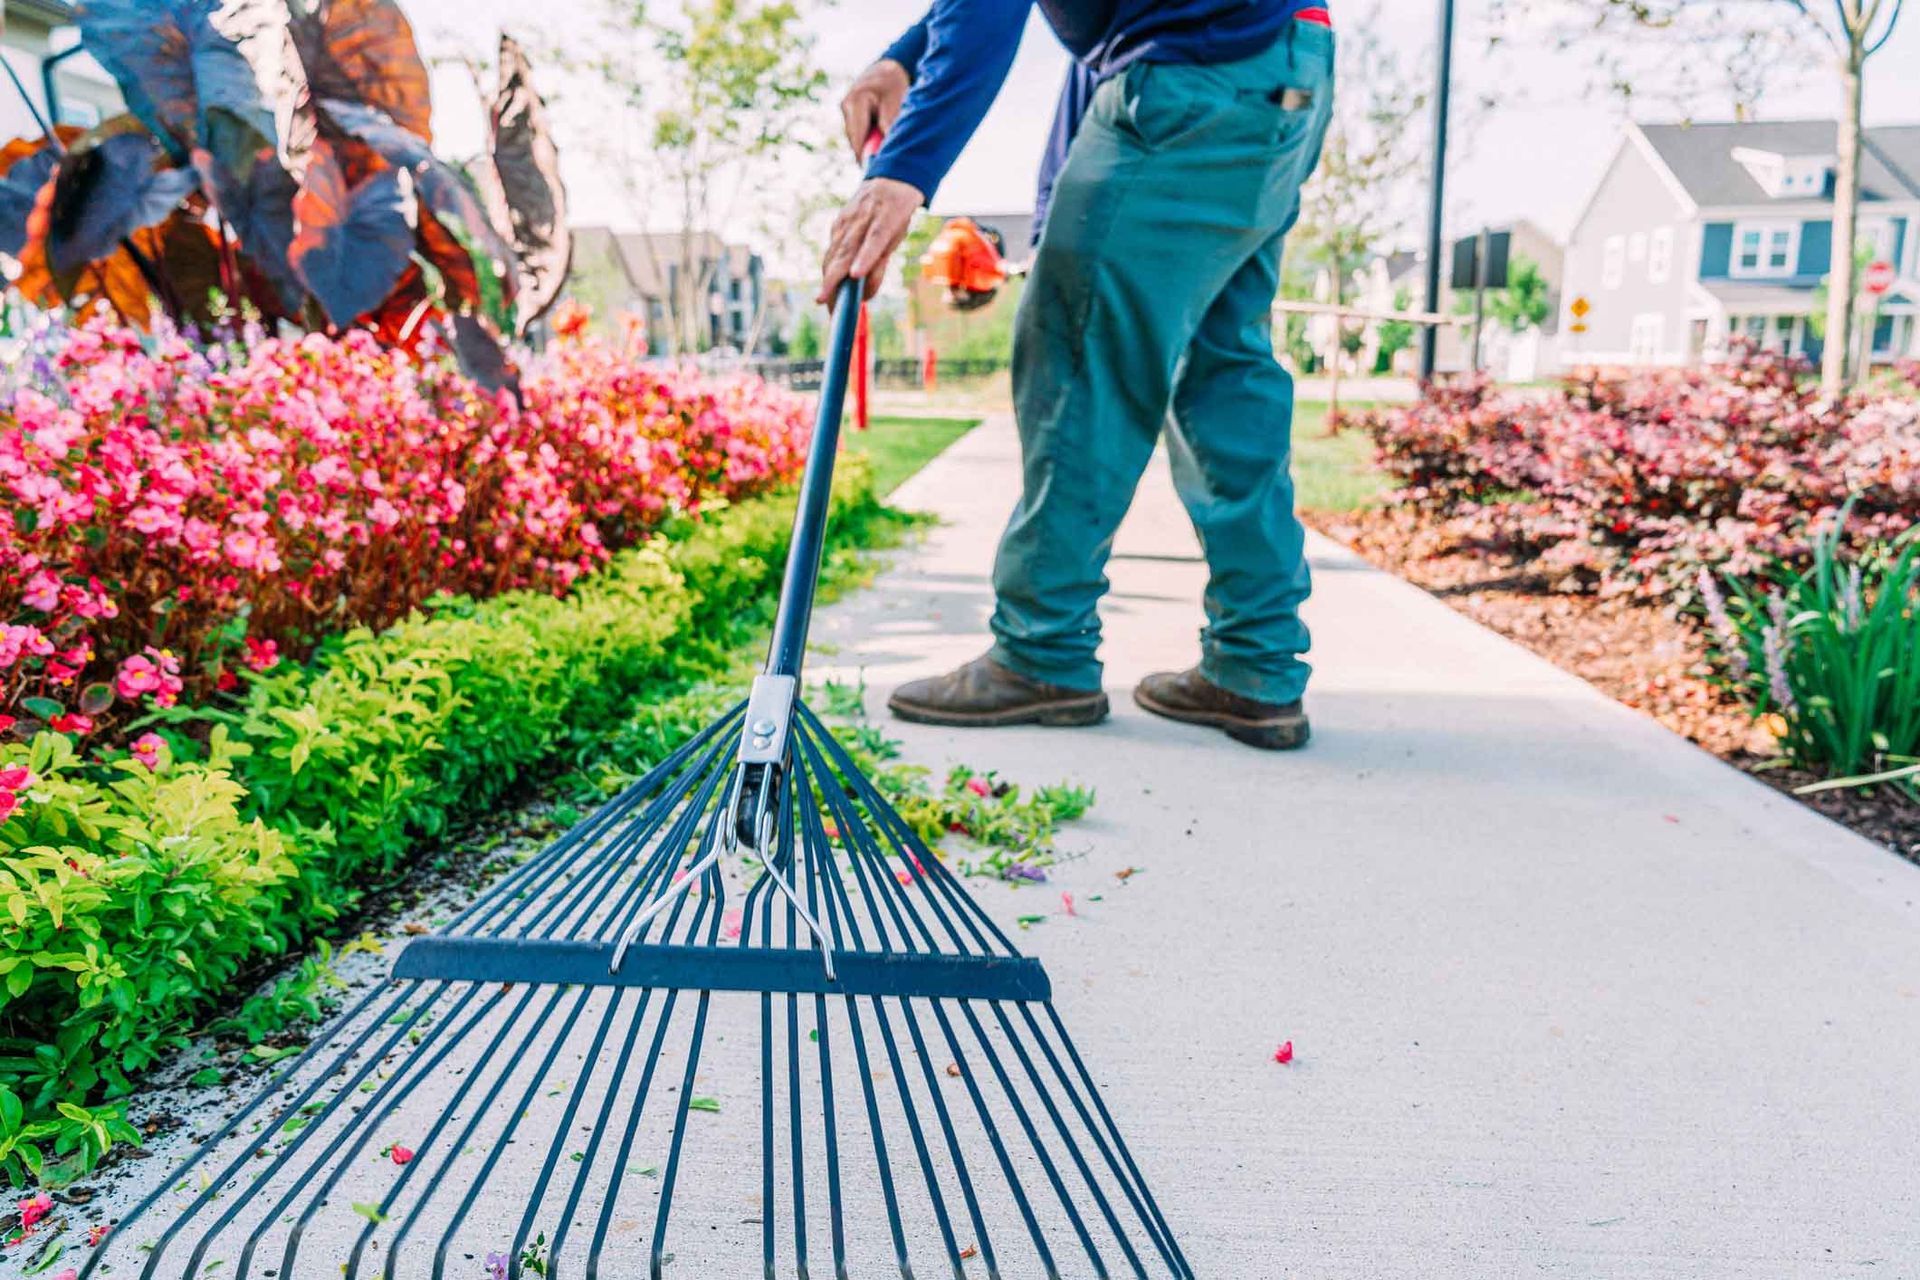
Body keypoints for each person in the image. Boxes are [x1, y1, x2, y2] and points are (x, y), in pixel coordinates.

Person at [819, 1, 1335, 750]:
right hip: (1284, 70)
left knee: (1076, 356)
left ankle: (1042, 651)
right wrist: (905, 54)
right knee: (1222, 371)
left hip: (1188, 79)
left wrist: (902, 169)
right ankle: (1257, 667)